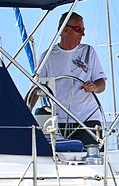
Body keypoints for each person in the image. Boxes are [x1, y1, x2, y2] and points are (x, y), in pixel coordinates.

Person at [33, 12, 107, 146]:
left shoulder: (89, 52)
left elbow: (101, 83)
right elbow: (38, 89)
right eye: (79, 29)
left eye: (83, 30)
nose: (83, 34)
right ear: (64, 29)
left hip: (88, 119)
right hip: (60, 121)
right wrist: (24, 113)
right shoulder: (48, 56)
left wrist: (94, 87)